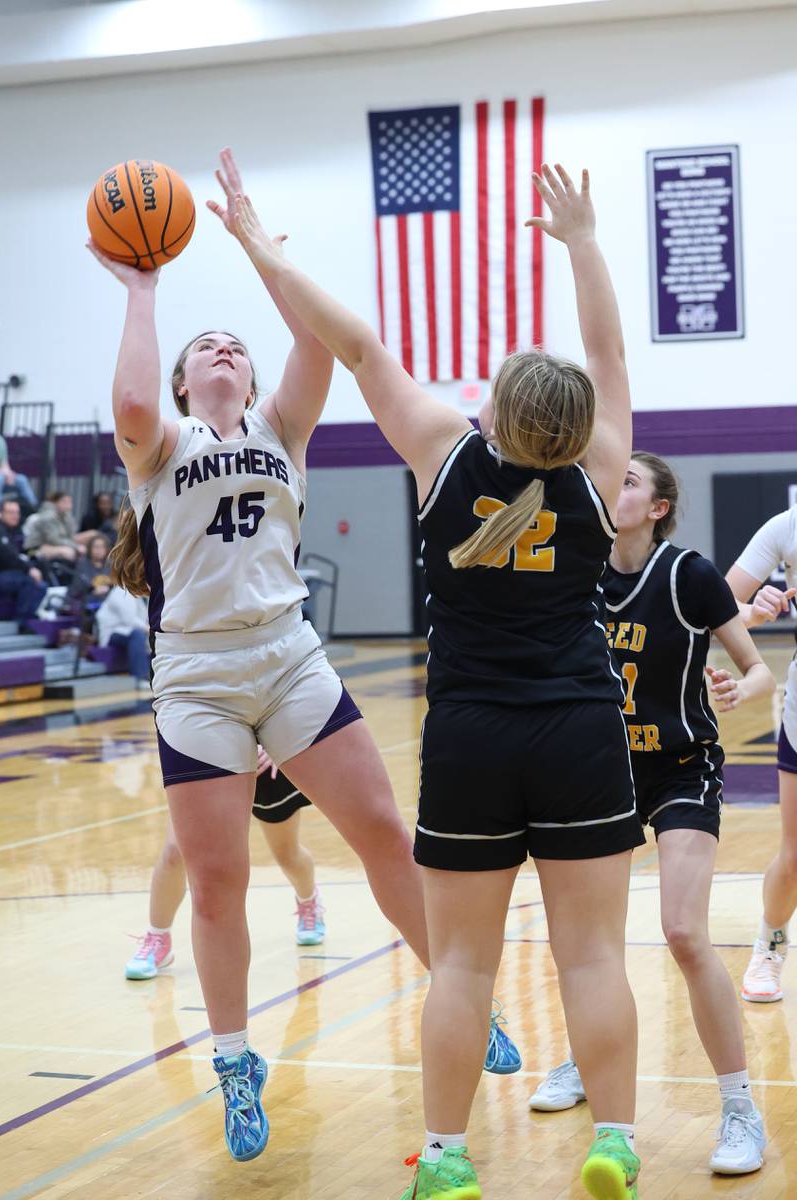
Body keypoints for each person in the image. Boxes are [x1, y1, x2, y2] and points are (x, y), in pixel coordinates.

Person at [89, 147, 518, 1166]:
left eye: (239, 344)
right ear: (193, 377)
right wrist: (146, 293)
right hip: (195, 675)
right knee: (219, 879)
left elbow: (319, 343)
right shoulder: (163, 449)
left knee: (382, 831)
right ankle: (236, 1060)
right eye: (214, 349)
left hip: (287, 657)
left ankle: (457, 997)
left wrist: (260, 247)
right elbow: (134, 408)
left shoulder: (284, 425)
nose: (230, 353)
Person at [230, 163, 646, 1199]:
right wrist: (583, 242)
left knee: (461, 965)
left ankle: (449, 1159)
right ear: (572, 423)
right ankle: (617, 1142)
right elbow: (604, 351)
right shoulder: (599, 473)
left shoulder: (442, 455)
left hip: (468, 736)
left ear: (495, 411)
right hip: (580, 730)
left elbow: (357, 343)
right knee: (591, 958)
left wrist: (262, 248)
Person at [528, 452, 772, 1175]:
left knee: (682, 933)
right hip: (599, 769)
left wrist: (739, 691)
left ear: (658, 505)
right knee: (586, 947)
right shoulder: (577, 568)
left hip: (679, 767)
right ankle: (587, 1059)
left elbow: (757, 666)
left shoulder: (687, 575)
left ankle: (738, 1107)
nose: (614, 486)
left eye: (628, 481)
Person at [126, 750, 325, 980]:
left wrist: (278, 743)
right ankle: (158, 937)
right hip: (207, 748)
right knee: (174, 852)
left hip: (263, 760)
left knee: (287, 854)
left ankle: (308, 901)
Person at [726, 508, 797, 1005]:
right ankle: (769, 944)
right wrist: (757, 603)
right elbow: (724, 600)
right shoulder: (786, 526)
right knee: (794, 855)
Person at [0, 497, 47, 629]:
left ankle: (28, 617)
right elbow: (7, 555)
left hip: (8, 573)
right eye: (11, 512)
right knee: (29, 580)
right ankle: (22, 621)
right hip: (0, 574)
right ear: (1, 513)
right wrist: (29, 569)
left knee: (41, 585)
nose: (15, 516)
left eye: (17, 512)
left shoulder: (13, 531)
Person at [22, 491, 89, 583]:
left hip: (52, 545)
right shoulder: (48, 516)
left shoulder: (64, 515)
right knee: (69, 552)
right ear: (55, 503)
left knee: (92, 539)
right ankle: (69, 580)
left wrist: (68, 519)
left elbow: (71, 535)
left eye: (69, 502)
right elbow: (54, 539)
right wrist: (76, 546)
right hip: (33, 549)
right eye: (64, 502)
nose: (68, 505)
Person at [95, 584, 150, 684]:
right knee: (137, 635)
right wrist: (149, 629)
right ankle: (140, 679)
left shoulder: (143, 591)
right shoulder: (121, 591)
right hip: (112, 632)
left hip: (128, 630)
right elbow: (129, 620)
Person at [0, 431, 37, 512]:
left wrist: (9, 474)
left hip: (1, 472)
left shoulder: (0, 440)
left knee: (21, 479)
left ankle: (33, 508)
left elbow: (4, 463)